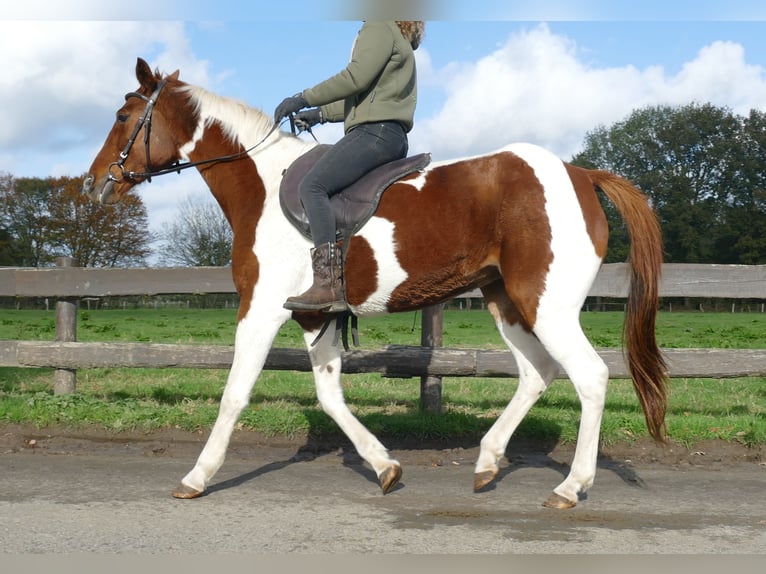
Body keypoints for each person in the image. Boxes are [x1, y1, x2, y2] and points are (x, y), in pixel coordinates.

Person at [274, 20, 425, 313]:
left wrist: (302, 97)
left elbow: (355, 78)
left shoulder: (379, 26)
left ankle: (327, 284)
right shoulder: (395, 31)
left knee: (312, 186)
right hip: (388, 133)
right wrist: (319, 114)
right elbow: (364, 93)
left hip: (374, 133)